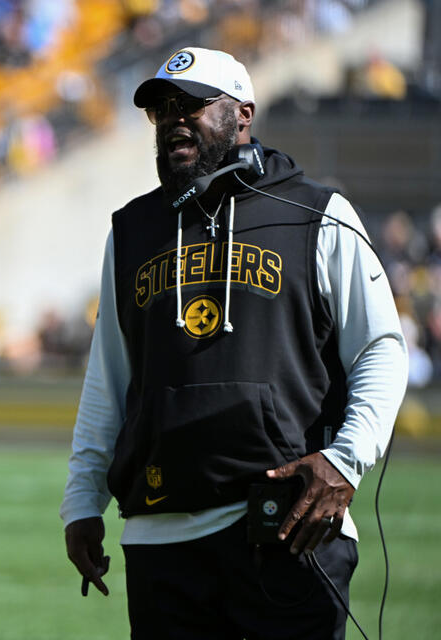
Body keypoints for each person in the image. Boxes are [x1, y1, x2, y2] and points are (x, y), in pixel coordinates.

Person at [60, 47, 407, 639]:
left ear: (243, 114)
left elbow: (381, 348)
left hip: (290, 527)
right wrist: (81, 501)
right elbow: (109, 379)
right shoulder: (132, 230)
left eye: (191, 104)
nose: (174, 118)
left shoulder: (319, 213)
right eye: (162, 108)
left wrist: (344, 461)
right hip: (161, 536)